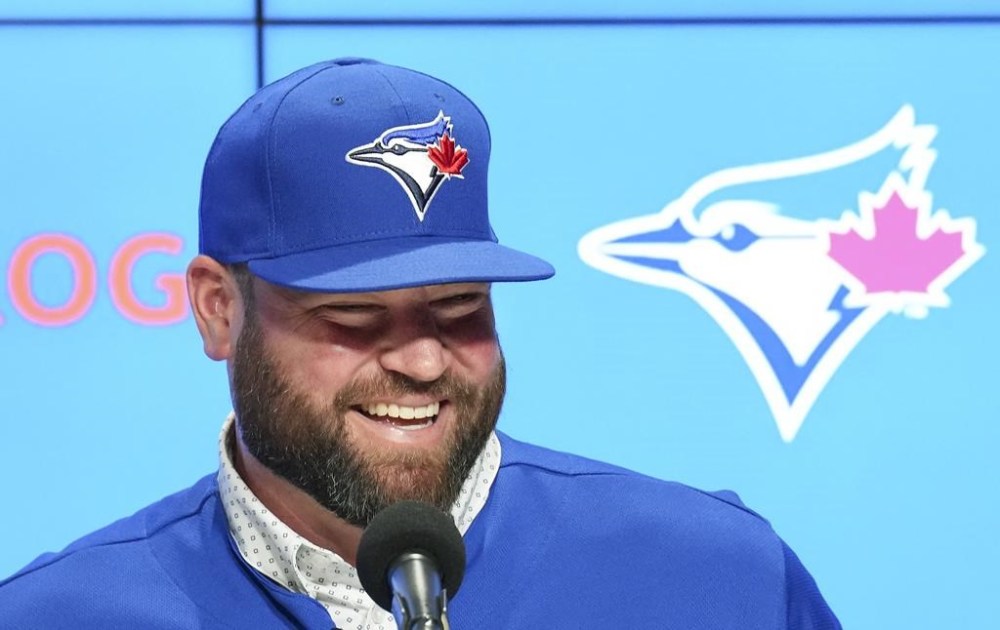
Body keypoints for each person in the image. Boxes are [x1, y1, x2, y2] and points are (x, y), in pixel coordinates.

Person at [0, 58, 841, 629]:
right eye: (355, 313)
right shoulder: (59, 615)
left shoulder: (718, 580)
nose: (425, 359)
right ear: (219, 310)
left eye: (459, 303)